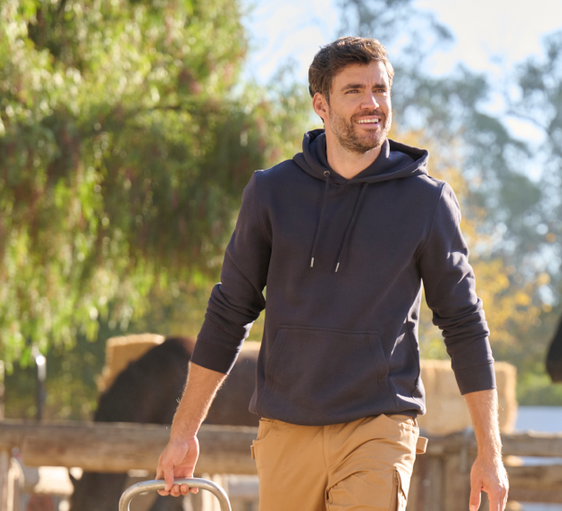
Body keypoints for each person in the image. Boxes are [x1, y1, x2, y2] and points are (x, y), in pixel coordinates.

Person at [155, 36, 509, 511]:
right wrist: (183, 434)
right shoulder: (271, 193)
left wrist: (491, 452)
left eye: (381, 90)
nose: (372, 104)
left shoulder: (426, 202)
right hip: (284, 429)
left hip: (378, 426)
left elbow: (464, 323)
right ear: (320, 104)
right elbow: (228, 313)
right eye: (355, 91)